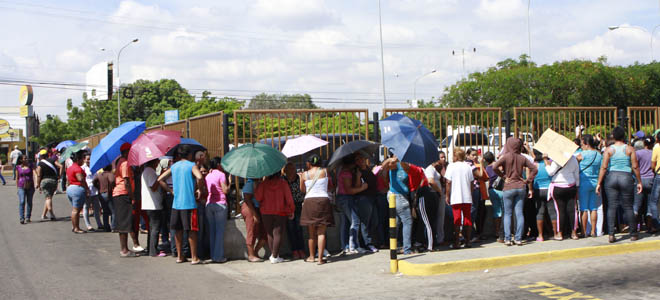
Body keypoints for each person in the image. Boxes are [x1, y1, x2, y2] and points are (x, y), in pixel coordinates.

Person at [157, 144, 206, 264]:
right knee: (192, 231)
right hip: (189, 203)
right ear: (190, 155)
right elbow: (199, 177)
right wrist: (199, 189)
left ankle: (180, 256)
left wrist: (171, 191)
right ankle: (194, 257)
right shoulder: (191, 166)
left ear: (179, 155)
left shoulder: (174, 166)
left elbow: (160, 179)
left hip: (176, 204)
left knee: (177, 231)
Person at [597, 126, 643, 243]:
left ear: (613, 136)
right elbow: (635, 166)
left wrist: (599, 183)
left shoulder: (608, 150)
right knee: (628, 206)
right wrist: (639, 181)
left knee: (612, 206)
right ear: (623, 136)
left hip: (611, 177)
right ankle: (633, 233)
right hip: (626, 177)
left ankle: (611, 234)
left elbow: (604, 167)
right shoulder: (629, 149)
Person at [492, 137, 538, 246]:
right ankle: (518, 238)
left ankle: (508, 238)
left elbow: (494, 167)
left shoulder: (505, 157)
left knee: (507, 213)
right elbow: (534, 169)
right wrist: (527, 180)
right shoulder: (522, 158)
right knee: (519, 213)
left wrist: (503, 176)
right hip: (521, 187)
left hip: (508, 187)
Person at [300, 154, 335, 264]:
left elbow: (302, 190)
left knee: (311, 233)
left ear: (309, 163)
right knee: (321, 232)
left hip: (309, 201)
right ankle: (320, 259)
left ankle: (311, 256)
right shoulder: (325, 171)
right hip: (323, 200)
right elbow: (331, 185)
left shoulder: (304, 174)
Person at [255, 172, 295, 264]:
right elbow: (289, 198)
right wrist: (291, 210)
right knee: (278, 233)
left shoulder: (263, 184)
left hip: (265, 211)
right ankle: (275, 256)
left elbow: (258, 197)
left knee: (270, 233)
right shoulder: (283, 183)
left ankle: (274, 255)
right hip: (280, 211)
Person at [381, 153, 413, 254]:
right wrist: (391, 159)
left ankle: (394, 247)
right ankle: (407, 249)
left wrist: (400, 160)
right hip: (397, 195)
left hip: (401, 195)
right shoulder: (393, 165)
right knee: (407, 221)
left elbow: (407, 169)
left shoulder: (404, 164)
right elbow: (383, 167)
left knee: (397, 222)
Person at [336, 155, 367, 254]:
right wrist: (363, 188)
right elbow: (349, 190)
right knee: (355, 221)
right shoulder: (346, 173)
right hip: (346, 199)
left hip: (342, 198)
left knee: (345, 223)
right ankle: (354, 246)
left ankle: (345, 246)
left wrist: (358, 177)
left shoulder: (342, 172)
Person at [113, 143, 139, 257]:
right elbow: (127, 182)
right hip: (123, 194)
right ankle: (124, 250)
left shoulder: (121, 161)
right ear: (127, 151)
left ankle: (125, 248)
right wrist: (132, 197)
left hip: (121, 193)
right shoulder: (124, 163)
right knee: (124, 223)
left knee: (125, 222)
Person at [576, 135, 603, 238]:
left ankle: (584, 232)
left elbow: (574, 161)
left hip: (584, 182)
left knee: (583, 208)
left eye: (582, 144)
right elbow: (602, 169)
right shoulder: (599, 155)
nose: (581, 146)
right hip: (595, 182)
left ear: (586, 144)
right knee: (593, 208)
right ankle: (593, 231)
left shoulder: (582, 155)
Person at [205, 157, 229, 263]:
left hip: (209, 204)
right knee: (219, 231)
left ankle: (213, 255)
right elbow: (225, 190)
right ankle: (218, 256)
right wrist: (230, 182)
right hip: (220, 204)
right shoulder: (221, 174)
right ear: (219, 164)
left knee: (212, 230)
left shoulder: (208, 175)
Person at [355, 152, 379, 253]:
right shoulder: (358, 172)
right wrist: (357, 176)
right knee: (365, 222)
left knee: (374, 221)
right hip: (364, 198)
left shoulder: (368, 169)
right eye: (359, 159)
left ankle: (370, 242)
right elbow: (357, 186)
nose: (362, 160)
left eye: (363, 158)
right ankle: (367, 243)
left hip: (372, 197)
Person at [141, 159, 164, 257]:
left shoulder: (147, 171)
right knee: (155, 227)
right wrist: (160, 177)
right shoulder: (150, 171)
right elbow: (153, 187)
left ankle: (151, 248)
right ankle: (153, 251)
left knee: (152, 227)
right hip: (153, 204)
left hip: (150, 203)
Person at [241, 178, 267, 262]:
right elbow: (247, 199)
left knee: (263, 233)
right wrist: (255, 214)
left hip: (256, 208)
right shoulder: (250, 183)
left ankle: (254, 253)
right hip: (250, 208)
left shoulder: (258, 183)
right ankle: (251, 255)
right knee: (251, 231)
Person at [283, 162, 306, 260]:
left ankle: (301, 249)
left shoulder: (298, 178)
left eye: (293, 169)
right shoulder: (283, 180)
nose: (292, 171)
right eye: (289, 169)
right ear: (285, 171)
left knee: (299, 229)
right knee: (291, 229)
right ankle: (295, 251)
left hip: (298, 205)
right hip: (287, 207)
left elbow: (303, 191)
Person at [531, 150, 554, 241]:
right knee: (552, 212)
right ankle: (555, 233)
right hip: (549, 189)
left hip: (538, 190)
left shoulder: (534, 165)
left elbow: (531, 177)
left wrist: (530, 189)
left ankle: (540, 235)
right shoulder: (549, 163)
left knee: (540, 213)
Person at [635, 137, 656, 233]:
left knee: (637, 205)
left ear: (644, 143)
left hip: (640, 180)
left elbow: (635, 166)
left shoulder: (638, 153)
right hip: (651, 180)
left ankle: (635, 227)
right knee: (649, 205)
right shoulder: (653, 153)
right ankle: (650, 226)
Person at [67, 150, 90, 233]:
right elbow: (80, 179)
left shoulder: (70, 167)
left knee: (75, 209)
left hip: (71, 188)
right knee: (76, 210)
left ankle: (74, 226)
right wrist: (86, 189)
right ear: (78, 159)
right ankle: (76, 227)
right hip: (77, 188)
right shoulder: (77, 168)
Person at [484, 151, 504, 242]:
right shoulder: (498, 165)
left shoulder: (486, 168)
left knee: (497, 211)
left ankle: (497, 231)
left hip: (492, 190)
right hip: (502, 189)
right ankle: (504, 231)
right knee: (505, 211)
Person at [36, 149, 61, 220]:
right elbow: (61, 166)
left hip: (44, 181)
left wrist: (38, 184)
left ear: (41, 156)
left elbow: (39, 175)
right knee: (49, 197)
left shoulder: (40, 164)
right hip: (53, 181)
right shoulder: (52, 160)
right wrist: (59, 175)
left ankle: (51, 213)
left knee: (48, 198)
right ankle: (43, 215)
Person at [82, 154, 103, 231]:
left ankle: (99, 223)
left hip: (95, 190)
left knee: (97, 208)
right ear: (84, 159)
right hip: (87, 190)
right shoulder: (83, 168)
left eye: (90, 159)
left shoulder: (95, 167)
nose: (89, 160)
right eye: (87, 159)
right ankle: (88, 225)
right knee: (86, 207)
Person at [94, 165, 115, 232]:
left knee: (105, 211)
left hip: (101, 193)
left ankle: (106, 226)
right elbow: (111, 181)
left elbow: (94, 181)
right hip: (108, 193)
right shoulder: (109, 174)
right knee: (113, 211)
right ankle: (113, 226)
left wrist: (98, 187)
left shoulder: (100, 174)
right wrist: (110, 188)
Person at [16, 155, 35, 224]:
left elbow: (35, 173)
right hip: (21, 186)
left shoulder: (31, 166)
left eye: (27, 158)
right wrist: (17, 188)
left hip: (30, 186)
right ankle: (22, 218)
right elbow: (17, 178)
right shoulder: (18, 167)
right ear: (21, 160)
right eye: (25, 158)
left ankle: (28, 217)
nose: (27, 159)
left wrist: (37, 183)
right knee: (22, 201)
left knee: (29, 202)